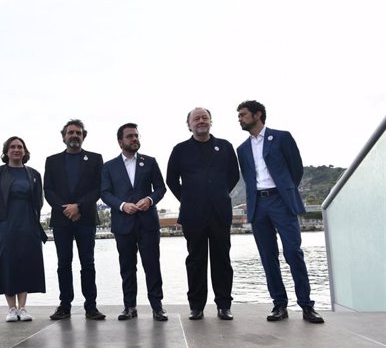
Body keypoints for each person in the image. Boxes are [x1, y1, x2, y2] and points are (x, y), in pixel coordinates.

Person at [236, 100, 324, 323]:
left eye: (243, 115)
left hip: (281, 202)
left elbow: (296, 168)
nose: (240, 119)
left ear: (258, 115)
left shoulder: (282, 137)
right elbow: (248, 177)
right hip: (258, 205)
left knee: (293, 253)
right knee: (268, 257)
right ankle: (279, 305)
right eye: (239, 115)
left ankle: (306, 306)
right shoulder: (242, 149)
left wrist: (285, 191)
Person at [166, 107, 240, 321]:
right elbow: (171, 180)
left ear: (211, 122)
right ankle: (196, 306)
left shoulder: (225, 147)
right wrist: (188, 198)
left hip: (220, 212)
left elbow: (234, 175)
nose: (201, 121)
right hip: (192, 214)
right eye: (196, 118)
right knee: (196, 260)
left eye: (204, 118)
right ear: (189, 124)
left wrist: (218, 193)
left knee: (222, 260)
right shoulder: (180, 149)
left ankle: (224, 305)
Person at [101, 123, 168, 321]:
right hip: (123, 224)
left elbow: (160, 188)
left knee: (152, 265)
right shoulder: (109, 166)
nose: (134, 139)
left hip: (148, 224)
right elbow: (104, 193)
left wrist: (149, 200)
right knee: (127, 267)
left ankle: (157, 307)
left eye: (136, 136)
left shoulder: (150, 162)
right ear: (120, 141)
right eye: (130, 136)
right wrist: (122, 205)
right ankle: (129, 307)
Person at [44, 119, 105, 320]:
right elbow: (48, 190)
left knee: (88, 263)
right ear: (63, 137)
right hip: (61, 220)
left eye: (78, 133)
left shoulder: (95, 159)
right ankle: (64, 306)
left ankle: (91, 306)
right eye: (70, 132)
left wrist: (78, 206)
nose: (74, 136)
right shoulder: (51, 161)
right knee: (64, 264)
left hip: (85, 218)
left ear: (83, 136)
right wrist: (66, 209)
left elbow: (98, 188)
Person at [0, 136, 47, 322]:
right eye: (13, 147)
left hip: (27, 223)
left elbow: (39, 200)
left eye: (20, 147)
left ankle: (23, 308)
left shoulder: (34, 174)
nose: (17, 150)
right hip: (4, 225)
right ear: (6, 151)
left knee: (25, 262)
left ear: (25, 151)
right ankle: (11, 308)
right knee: (6, 262)